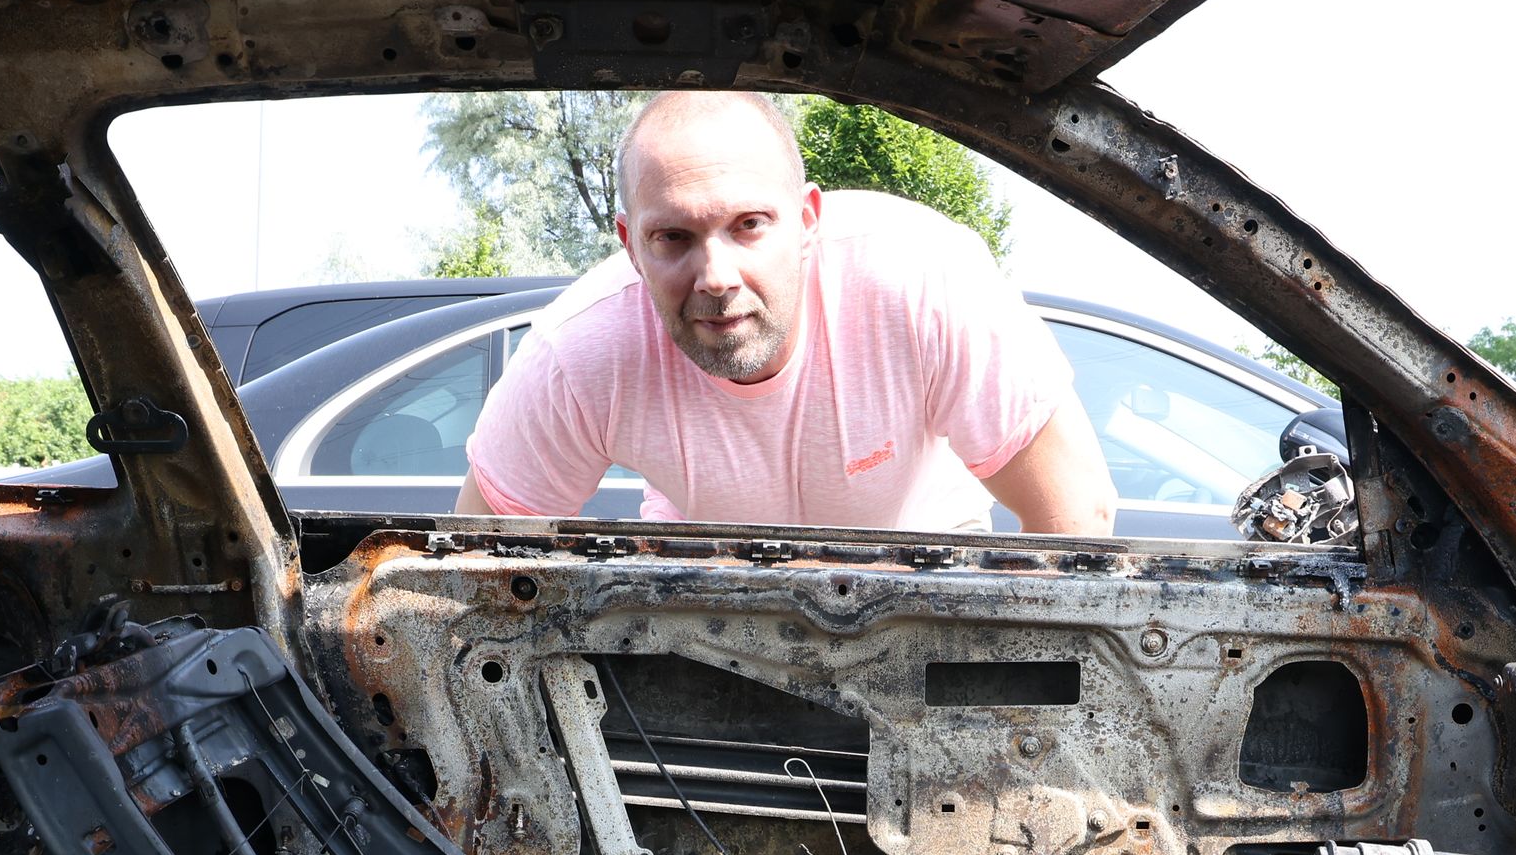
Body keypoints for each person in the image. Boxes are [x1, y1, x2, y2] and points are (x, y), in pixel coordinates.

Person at [454, 91, 1116, 534]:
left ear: (806, 220)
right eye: (674, 238)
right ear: (630, 245)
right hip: (708, 607)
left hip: (926, 579)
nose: (715, 278)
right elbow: (475, 571)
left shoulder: (923, 280)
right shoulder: (579, 352)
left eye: (748, 225)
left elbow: (1075, 513)